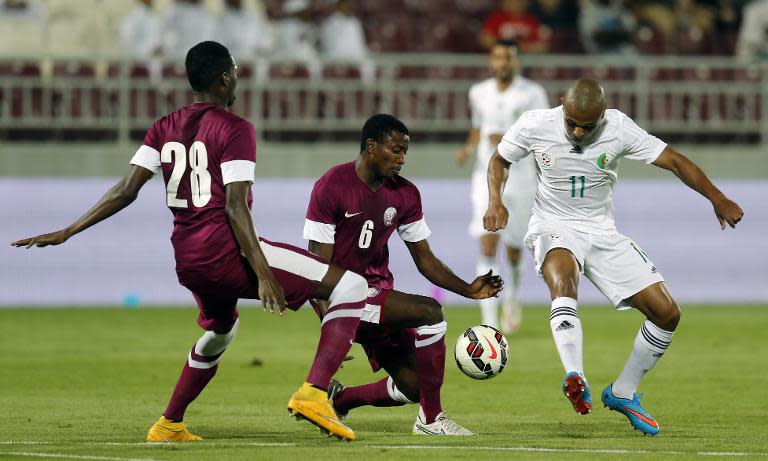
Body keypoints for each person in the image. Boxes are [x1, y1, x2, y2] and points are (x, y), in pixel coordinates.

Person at [11, 41, 369, 442]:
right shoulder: (236, 129)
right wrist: (264, 274)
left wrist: (69, 230)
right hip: (227, 251)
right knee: (351, 285)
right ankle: (315, 394)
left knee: (221, 329)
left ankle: (169, 423)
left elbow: (126, 190)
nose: (237, 77)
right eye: (234, 70)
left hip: (189, 261)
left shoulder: (163, 127)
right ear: (224, 77)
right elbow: (235, 208)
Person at [484, 79, 743, 435]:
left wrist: (716, 197)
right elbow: (499, 159)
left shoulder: (619, 127)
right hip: (553, 224)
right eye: (571, 122)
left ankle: (623, 392)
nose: (577, 131)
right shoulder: (535, 123)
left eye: (586, 126)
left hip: (602, 232)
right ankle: (575, 374)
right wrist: (495, 201)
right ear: (562, 105)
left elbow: (674, 160)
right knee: (563, 279)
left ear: (602, 116)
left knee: (667, 313)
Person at [303, 114, 503, 435]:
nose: (402, 159)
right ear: (371, 146)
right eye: (395, 150)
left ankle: (338, 401)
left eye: (405, 152)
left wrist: (468, 289)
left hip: (378, 293)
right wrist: (333, 326)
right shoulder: (330, 187)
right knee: (430, 312)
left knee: (415, 386)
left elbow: (425, 260)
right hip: (343, 295)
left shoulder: (404, 194)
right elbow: (315, 269)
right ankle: (432, 420)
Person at [456, 40, 548, 334]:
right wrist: (469, 148)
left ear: (516, 61)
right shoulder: (478, 92)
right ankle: (489, 320)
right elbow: (477, 127)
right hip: (486, 176)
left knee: (513, 249)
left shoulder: (532, 93)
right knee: (487, 240)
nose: (503, 63)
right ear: (491, 61)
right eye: (498, 57)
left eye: (508, 58)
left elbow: (544, 134)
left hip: (521, 179)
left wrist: (509, 139)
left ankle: (513, 297)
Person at [479, 0, 547, 53]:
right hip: (498, 62)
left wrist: (522, 47)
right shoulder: (495, 18)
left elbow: (542, 46)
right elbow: (485, 41)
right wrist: (510, 48)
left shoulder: (532, 20)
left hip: (526, 62)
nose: (515, 3)